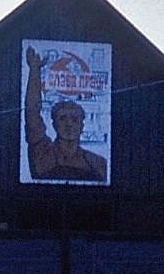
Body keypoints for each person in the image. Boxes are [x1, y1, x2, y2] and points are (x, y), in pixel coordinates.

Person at [24, 47, 108, 182]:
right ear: (54, 124)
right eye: (63, 118)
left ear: (82, 125)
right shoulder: (42, 153)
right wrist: (34, 70)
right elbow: (32, 111)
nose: (69, 124)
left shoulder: (97, 163)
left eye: (75, 119)